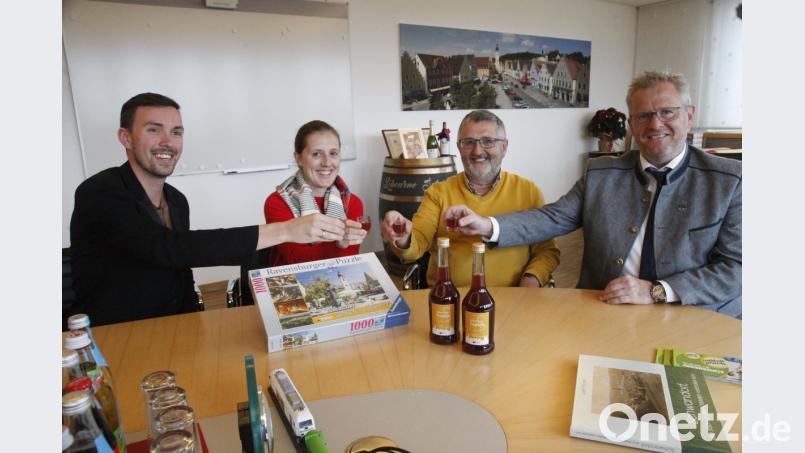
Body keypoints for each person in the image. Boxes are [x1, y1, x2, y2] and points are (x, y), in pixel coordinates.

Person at [445, 71, 742, 318]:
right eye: (643, 116)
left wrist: (657, 290)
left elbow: (737, 269)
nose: (655, 124)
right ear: (631, 124)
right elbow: (552, 217)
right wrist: (487, 225)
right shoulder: (600, 173)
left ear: (689, 115)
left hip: (693, 315)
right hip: (604, 309)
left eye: (667, 112)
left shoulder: (731, 180)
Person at [70, 93, 359, 326]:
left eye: (176, 132)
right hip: (117, 335)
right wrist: (286, 230)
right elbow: (168, 248)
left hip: (177, 328)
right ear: (126, 138)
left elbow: (180, 273)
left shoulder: (176, 200)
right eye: (153, 130)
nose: (167, 142)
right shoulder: (99, 193)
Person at [380, 110, 559, 288]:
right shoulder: (438, 193)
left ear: (504, 147)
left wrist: (532, 278)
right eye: (468, 142)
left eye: (488, 141)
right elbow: (416, 246)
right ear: (459, 147)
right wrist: (404, 236)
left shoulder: (528, 191)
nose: (477, 151)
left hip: (514, 297)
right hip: (449, 298)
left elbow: (546, 250)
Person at [264, 120, 366, 266]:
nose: (327, 162)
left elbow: (349, 260)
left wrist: (343, 245)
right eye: (317, 154)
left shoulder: (352, 202)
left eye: (333, 153)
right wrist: (339, 244)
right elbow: (297, 260)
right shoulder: (277, 202)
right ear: (298, 158)